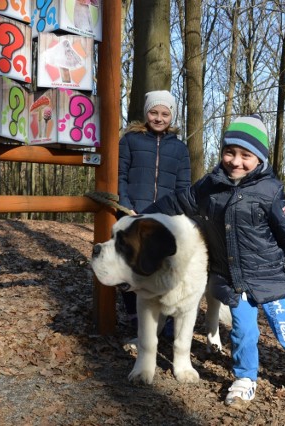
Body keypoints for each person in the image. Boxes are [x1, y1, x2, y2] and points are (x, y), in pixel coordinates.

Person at [143, 114, 285, 414]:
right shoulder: (210, 186)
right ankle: (244, 378)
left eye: (245, 155)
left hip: (270, 281)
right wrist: (144, 217)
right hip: (233, 281)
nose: (236, 161)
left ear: (259, 158)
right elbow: (178, 201)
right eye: (230, 152)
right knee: (243, 333)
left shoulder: (270, 192)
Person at [118, 90, 191, 335]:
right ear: (146, 113)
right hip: (133, 214)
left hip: (165, 219)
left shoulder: (180, 149)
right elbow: (120, 175)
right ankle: (135, 318)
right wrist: (125, 206)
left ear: (172, 116)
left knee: (163, 267)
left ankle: (165, 319)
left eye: (165, 113)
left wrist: (178, 215)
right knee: (130, 266)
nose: (159, 118)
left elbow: (184, 187)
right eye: (154, 112)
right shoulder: (130, 140)